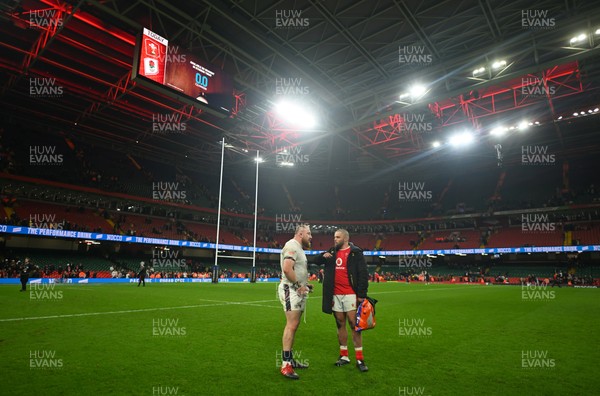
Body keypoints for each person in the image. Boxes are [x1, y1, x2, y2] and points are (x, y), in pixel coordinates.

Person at [314, 229, 369, 372]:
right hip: (335, 295)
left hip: (351, 294)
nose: (335, 239)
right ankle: (344, 356)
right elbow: (316, 261)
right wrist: (322, 255)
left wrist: (361, 294)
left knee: (354, 325)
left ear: (345, 238)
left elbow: (363, 273)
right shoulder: (332, 251)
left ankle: (360, 358)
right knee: (340, 324)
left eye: (337, 237)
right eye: (334, 237)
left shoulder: (356, 252)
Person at [278, 224, 312, 380]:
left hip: (296, 290)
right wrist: (299, 285)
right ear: (300, 233)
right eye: (309, 233)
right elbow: (287, 268)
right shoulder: (292, 245)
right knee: (291, 325)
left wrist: (304, 284)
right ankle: (285, 365)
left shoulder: (298, 248)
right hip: (290, 290)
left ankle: (289, 359)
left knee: (294, 325)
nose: (311, 236)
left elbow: (295, 269)